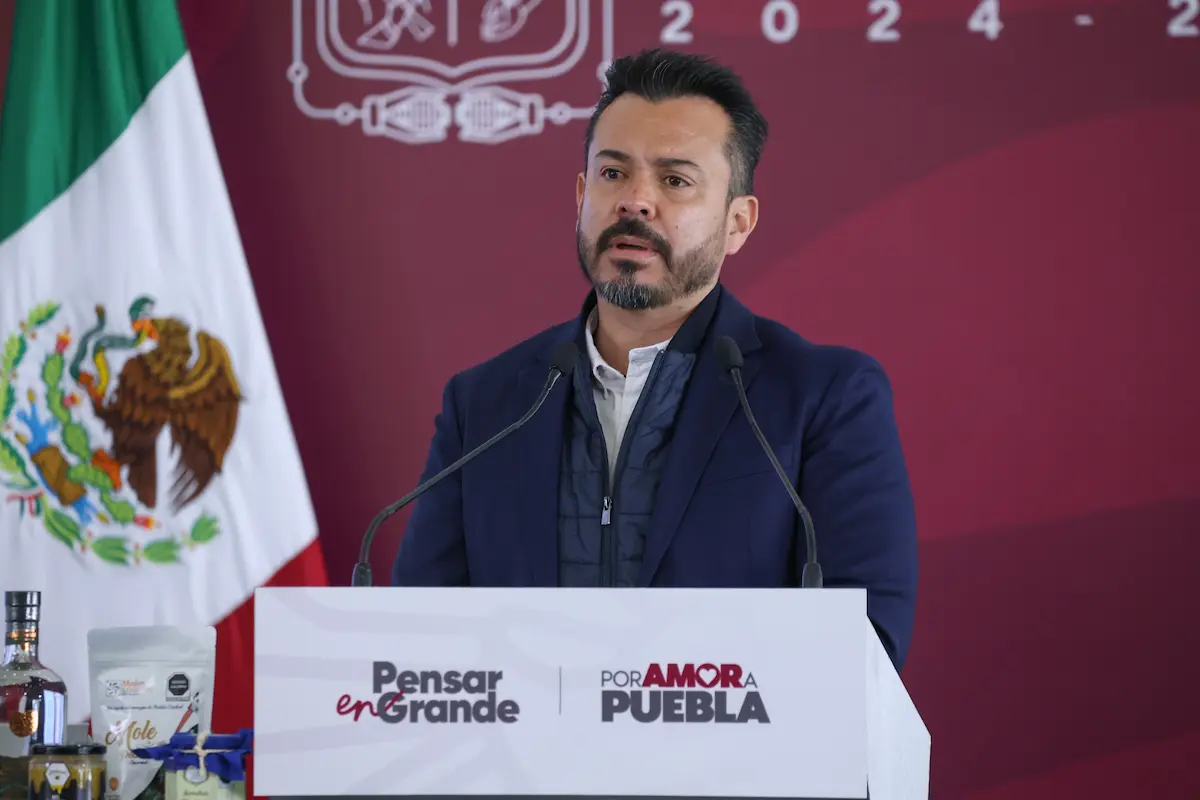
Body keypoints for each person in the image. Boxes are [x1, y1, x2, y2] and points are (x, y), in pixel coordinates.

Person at [391, 48, 919, 671]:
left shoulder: (821, 396)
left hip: (732, 764)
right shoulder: (486, 404)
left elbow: (866, 641)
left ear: (737, 223)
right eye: (614, 174)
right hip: (524, 765)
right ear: (583, 195)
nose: (636, 202)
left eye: (674, 180)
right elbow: (415, 639)